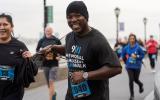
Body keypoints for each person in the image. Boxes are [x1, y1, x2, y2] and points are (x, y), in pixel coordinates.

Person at [40, 1, 122, 100]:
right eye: (70, 17)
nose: (73, 20)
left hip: (95, 96)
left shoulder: (97, 40)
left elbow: (116, 68)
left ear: (86, 17)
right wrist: (52, 48)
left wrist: (85, 75)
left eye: (78, 16)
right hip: (72, 95)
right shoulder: (70, 36)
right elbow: (70, 49)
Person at [0, 13, 34, 100]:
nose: (2, 27)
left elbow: (32, 70)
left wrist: (29, 59)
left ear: (11, 27)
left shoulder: (19, 46)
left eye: (5, 24)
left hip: (13, 94)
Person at [36, 26, 61, 100]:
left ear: (52, 31)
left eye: (49, 30)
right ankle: (54, 93)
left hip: (54, 64)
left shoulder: (56, 40)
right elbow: (37, 50)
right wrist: (42, 52)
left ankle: (51, 98)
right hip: (45, 64)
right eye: (47, 30)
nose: (48, 31)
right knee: (49, 84)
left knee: (51, 81)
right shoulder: (41, 40)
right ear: (44, 31)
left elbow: (61, 50)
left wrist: (59, 56)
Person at [120, 34, 145, 100]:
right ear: (129, 39)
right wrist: (126, 62)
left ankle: (140, 85)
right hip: (129, 66)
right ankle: (132, 95)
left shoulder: (138, 47)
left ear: (135, 39)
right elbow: (123, 56)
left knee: (136, 79)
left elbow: (143, 55)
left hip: (137, 66)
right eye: (130, 38)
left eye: (133, 38)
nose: (131, 40)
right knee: (131, 80)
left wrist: (137, 56)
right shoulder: (126, 48)